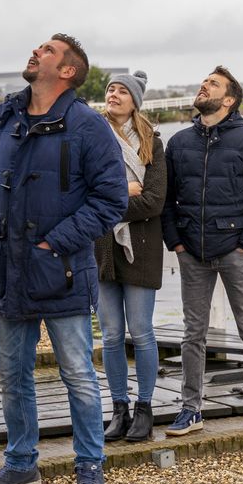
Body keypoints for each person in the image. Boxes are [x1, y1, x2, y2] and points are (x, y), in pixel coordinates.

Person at [0, 34, 128, 484]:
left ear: (69, 70)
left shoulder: (88, 127)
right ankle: (20, 466)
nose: (36, 53)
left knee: (77, 373)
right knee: (12, 374)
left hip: (62, 272)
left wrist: (54, 243)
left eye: (48, 51)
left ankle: (89, 466)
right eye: (38, 48)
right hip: (5, 269)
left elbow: (110, 200)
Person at [160, 66, 243, 436]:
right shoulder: (179, 143)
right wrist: (175, 242)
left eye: (212, 84)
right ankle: (190, 408)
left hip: (234, 250)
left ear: (228, 99)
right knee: (192, 333)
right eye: (203, 82)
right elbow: (166, 200)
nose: (203, 86)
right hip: (191, 251)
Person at [95, 71, 167, 443]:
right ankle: (118, 408)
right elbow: (84, 191)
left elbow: (154, 201)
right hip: (102, 247)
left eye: (123, 90)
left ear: (135, 100)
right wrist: (123, 191)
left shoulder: (152, 143)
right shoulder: (92, 136)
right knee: (110, 335)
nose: (115, 94)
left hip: (141, 246)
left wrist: (108, 202)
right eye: (111, 89)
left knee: (141, 332)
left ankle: (144, 408)